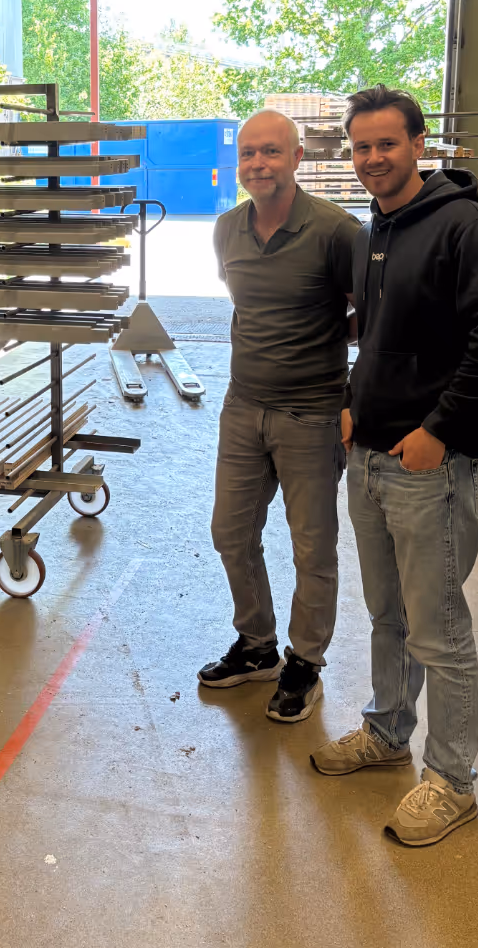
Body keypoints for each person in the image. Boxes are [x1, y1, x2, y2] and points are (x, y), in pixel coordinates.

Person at [310, 86, 478, 846]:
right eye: (361, 147)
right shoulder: (376, 229)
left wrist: (438, 429)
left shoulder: (464, 228)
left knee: (439, 629)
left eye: (386, 144)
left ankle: (453, 781)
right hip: (370, 456)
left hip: (431, 464)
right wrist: (350, 402)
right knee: (388, 616)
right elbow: (373, 336)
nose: (372, 159)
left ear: (418, 144)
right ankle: (387, 730)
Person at [199, 110, 361, 723]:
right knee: (230, 532)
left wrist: (347, 388)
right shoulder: (227, 230)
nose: (257, 164)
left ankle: (305, 662)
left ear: (297, 157)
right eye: (248, 153)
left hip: (312, 414)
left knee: (312, 548)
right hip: (243, 406)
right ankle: (258, 645)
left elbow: (372, 314)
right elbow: (247, 307)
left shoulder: (336, 231)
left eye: (271, 152)